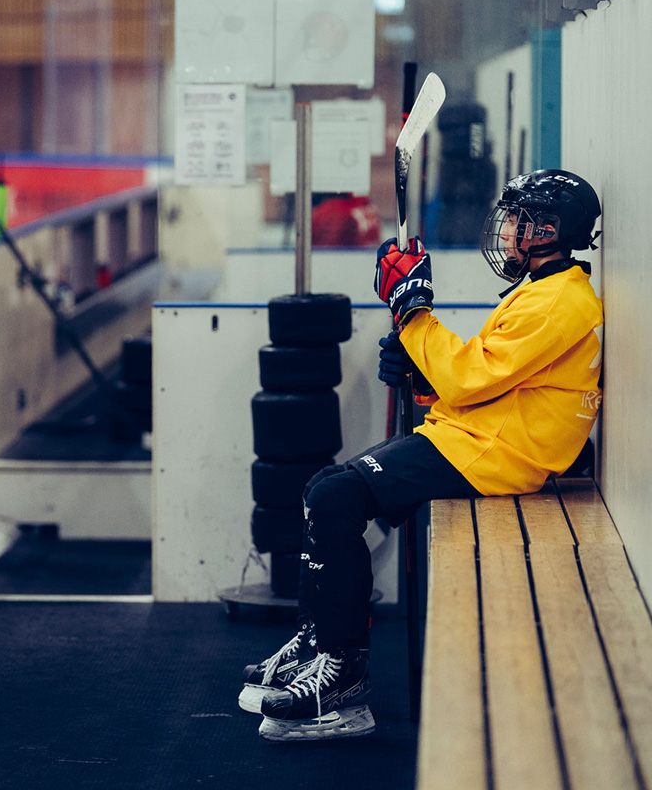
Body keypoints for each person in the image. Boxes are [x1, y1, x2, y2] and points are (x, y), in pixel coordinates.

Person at [239, 169, 604, 742]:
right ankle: (320, 642)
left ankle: (342, 679)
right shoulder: (543, 292)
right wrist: (421, 375)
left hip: (499, 456)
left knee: (336, 495)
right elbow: (485, 382)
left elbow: (467, 379)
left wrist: (413, 313)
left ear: (548, 231)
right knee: (325, 488)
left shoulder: (560, 301)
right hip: (478, 440)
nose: (506, 231)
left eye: (517, 221)